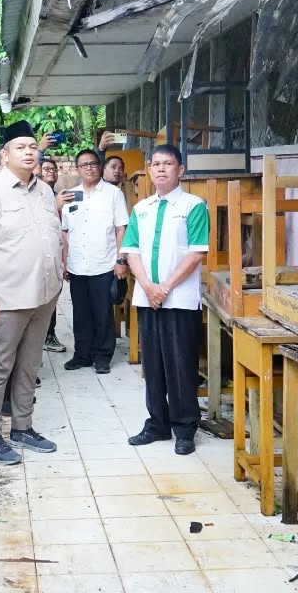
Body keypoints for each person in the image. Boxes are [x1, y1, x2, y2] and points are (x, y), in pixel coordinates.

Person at [0, 120, 63, 465]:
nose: (28, 152)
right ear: (5, 154)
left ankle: (23, 427)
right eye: (20, 147)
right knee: (0, 367)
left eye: (32, 146)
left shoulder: (44, 191)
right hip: (7, 298)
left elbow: (52, 236)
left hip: (45, 295)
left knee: (29, 364)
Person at [119, 145, 209, 454]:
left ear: (180, 170)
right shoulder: (141, 208)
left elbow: (196, 252)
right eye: (156, 164)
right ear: (149, 169)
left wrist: (165, 287)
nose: (160, 169)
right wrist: (147, 286)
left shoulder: (193, 206)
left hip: (179, 300)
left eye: (167, 163)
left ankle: (184, 428)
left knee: (181, 365)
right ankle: (157, 423)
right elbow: (131, 251)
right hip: (148, 298)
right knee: (153, 364)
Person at [60, 149, 130, 375]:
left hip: (104, 264)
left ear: (99, 166)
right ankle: (82, 354)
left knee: (102, 314)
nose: (89, 168)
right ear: (77, 169)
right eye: (84, 165)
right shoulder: (70, 195)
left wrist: (120, 260)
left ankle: (102, 356)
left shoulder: (113, 194)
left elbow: (121, 229)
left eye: (92, 163)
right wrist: (64, 262)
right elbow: (65, 232)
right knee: (80, 314)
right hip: (77, 265)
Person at [39, 156, 67, 353]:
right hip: (38, 255)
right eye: (47, 168)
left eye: (54, 169)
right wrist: (54, 207)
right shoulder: (35, 196)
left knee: (53, 296)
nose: (51, 172)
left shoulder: (60, 196)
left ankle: (50, 335)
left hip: (57, 254)